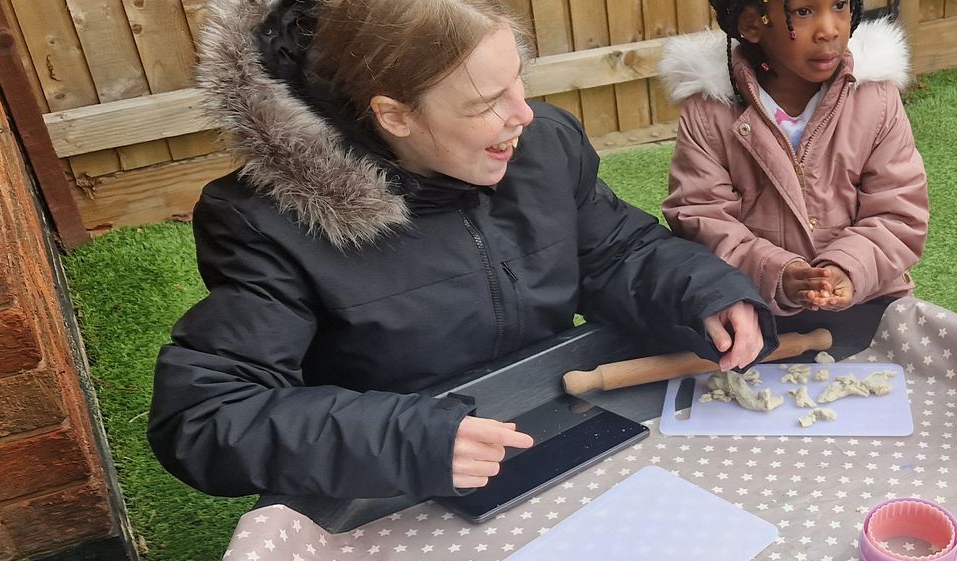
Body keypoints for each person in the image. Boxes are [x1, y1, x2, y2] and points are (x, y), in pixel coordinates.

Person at [150, 0, 774, 502]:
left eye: (516, 83)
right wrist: (408, 441)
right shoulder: (270, 223)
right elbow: (206, 416)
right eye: (484, 104)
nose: (523, 115)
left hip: (552, 421)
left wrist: (704, 292)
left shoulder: (544, 146)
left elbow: (612, 250)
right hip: (393, 485)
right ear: (394, 116)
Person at [659, 0, 928, 314]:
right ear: (751, 24)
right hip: (751, 308)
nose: (829, 30)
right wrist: (778, 275)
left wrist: (847, 269)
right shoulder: (709, 113)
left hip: (869, 298)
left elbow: (898, 212)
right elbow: (702, 218)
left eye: (840, 5)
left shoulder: (876, 100)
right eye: (803, 12)